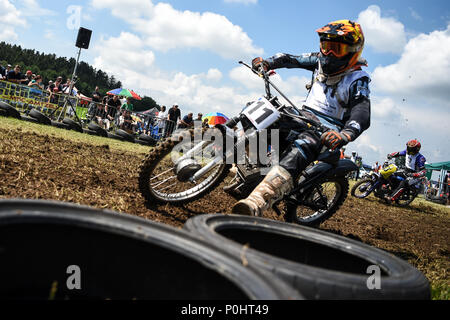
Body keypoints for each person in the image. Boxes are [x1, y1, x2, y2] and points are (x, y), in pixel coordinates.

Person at [232, 19, 371, 217]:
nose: (329, 53)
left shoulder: (358, 79)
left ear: (353, 50)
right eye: (325, 46)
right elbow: (289, 58)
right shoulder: (318, 61)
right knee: (259, 113)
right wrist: (267, 62)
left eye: (336, 49)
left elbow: (361, 111)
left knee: (303, 147)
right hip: (302, 115)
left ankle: (255, 203)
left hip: (327, 130)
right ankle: (251, 172)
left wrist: (346, 134)